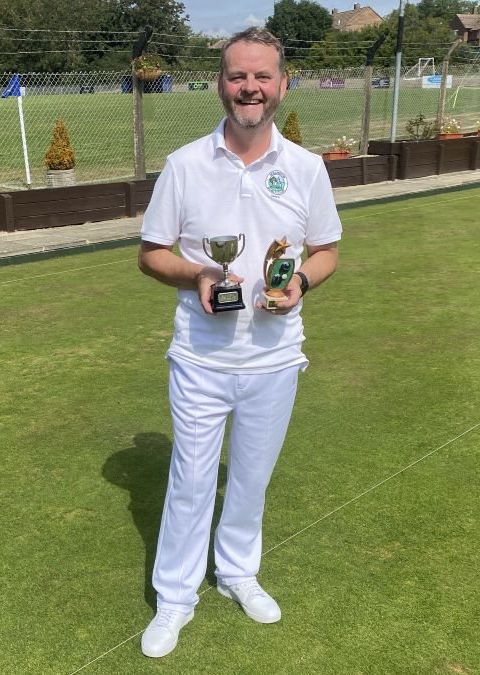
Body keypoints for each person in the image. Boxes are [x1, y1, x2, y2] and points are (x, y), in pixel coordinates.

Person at [137, 27, 342, 658]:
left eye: (261, 76)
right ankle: (175, 597)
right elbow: (151, 254)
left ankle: (236, 572)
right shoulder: (185, 165)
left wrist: (299, 282)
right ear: (219, 84)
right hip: (200, 357)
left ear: (283, 84)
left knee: (251, 480)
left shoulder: (306, 168)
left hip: (275, 357)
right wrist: (199, 273)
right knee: (191, 481)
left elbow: (326, 250)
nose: (249, 88)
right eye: (237, 76)